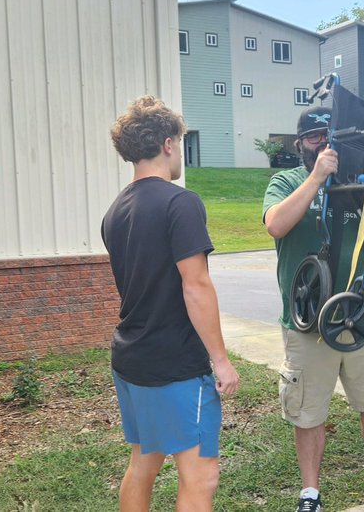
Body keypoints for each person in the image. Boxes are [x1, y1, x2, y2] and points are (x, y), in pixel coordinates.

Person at [263, 107, 364, 512]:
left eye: (330, 134)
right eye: (316, 136)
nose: (325, 142)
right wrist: (318, 177)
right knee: (309, 412)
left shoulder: (360, 185)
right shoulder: (287, 180)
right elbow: (275, 225)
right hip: (308, 322)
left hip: (357, 318)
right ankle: (310, 494)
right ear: (301, 143)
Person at [101, 95, 240, 512]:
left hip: (131, 358)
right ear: (167, 143)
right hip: (175, 365)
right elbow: (195, 285)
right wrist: (220, 359)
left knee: (143, 462)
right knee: (201, 474)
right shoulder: (180, 202)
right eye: (179, 142)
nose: (179, 151)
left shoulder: (115, 211)